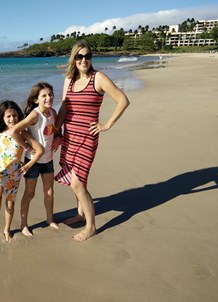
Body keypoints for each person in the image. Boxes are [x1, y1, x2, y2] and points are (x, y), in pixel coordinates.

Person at [54, 40, 130, 242]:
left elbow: (123, 100)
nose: (83, 60)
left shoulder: (99, 78)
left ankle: (91, 227)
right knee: (73, 179)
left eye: (87, 56)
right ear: (74, 59)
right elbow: (63, 108)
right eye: (79, 56)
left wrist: (107, 125)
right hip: (69, 136)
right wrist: (56, 131)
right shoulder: (69, 80)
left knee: (78, 183)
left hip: (87, 138)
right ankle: (80, 213)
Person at [0, 100, 43, 242]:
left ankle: (7, 229)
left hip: (15, 173)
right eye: (8, 116)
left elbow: (38, 149)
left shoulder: (22, 133)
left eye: (15, 115)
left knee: (10, 204)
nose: (12, 119)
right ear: (2, 118)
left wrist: (29, 160)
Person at [8, 82, 60, 237]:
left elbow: (57, 128)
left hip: (48, 160)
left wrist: (58, 137)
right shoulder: (35, 115)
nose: (48, 97)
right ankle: (24, 225)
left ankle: (50, 219)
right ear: (36, 99)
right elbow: (14, 131)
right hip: (33, 162)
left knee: (49, 191)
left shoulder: (53, 113)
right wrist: (27, 147)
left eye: (50, 94)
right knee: (30, 193)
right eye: (44, 95)